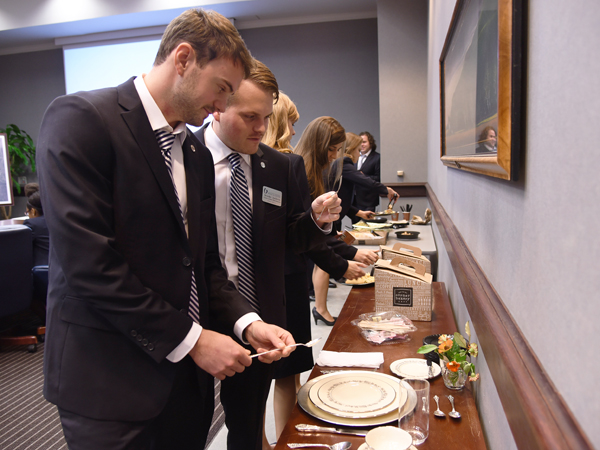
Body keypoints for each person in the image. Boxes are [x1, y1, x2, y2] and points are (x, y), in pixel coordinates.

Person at [36, 9, 299, 450]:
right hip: (108, 383)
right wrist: (192, 340)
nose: (221, 105)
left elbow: (202, 264)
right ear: (183, 59)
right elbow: (90, 266)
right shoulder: (82, 119)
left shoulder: (193, 152)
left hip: (185, 385)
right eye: (222, 88)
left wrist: (246, 323)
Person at [194, 61, 342, 450]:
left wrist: (316, 220)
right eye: (249, 117)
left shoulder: (276, 166)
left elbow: (291, 238)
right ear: (218, 106)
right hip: (192, 316)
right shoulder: (184, 156)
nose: (262, 128)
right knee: (187, 424)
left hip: (253, 316)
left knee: (245, 426)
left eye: (266, 116)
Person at [261, 93, 366, 445]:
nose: (293, 130)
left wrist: (345, 257)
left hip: (289, 279)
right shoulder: (291, 167)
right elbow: (302, 237)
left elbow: (313, 230)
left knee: (289, 371)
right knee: (270, 378)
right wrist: (342, 264)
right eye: (289, 122)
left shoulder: (288, 165)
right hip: (274, 283)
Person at [295, 118, 379, 325]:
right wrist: (343, 264)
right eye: (331, 149)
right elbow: (308, 235)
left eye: (338, 150)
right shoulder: (299, 173)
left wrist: (347, 252)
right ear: (318, 145)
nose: (334, 156)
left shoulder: (315, 172)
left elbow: (316, 231)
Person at [330, 132, 396, 229]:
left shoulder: (340, 163)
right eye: (358, 150)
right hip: (330, 218)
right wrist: (386, 190)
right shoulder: (344, 163)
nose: (359, 154)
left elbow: (342, 200)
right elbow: (366, 182)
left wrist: (360, 213)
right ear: (351, 150)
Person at [353, 131, 382, 212]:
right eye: (360, 142)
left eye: (364, 142)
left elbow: (379, 178)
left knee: (367, 224)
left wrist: (363, 176)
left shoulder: (377, 158)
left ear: (371, 143)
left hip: (368, 200)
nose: (362, 145)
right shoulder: (354, 156)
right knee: (355, 224)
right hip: (354, 200)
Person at [23, 183, 49, 266]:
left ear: (33, 211)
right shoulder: (57, 220)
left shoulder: (31, 224)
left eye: (27, 212)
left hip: (41, 271)